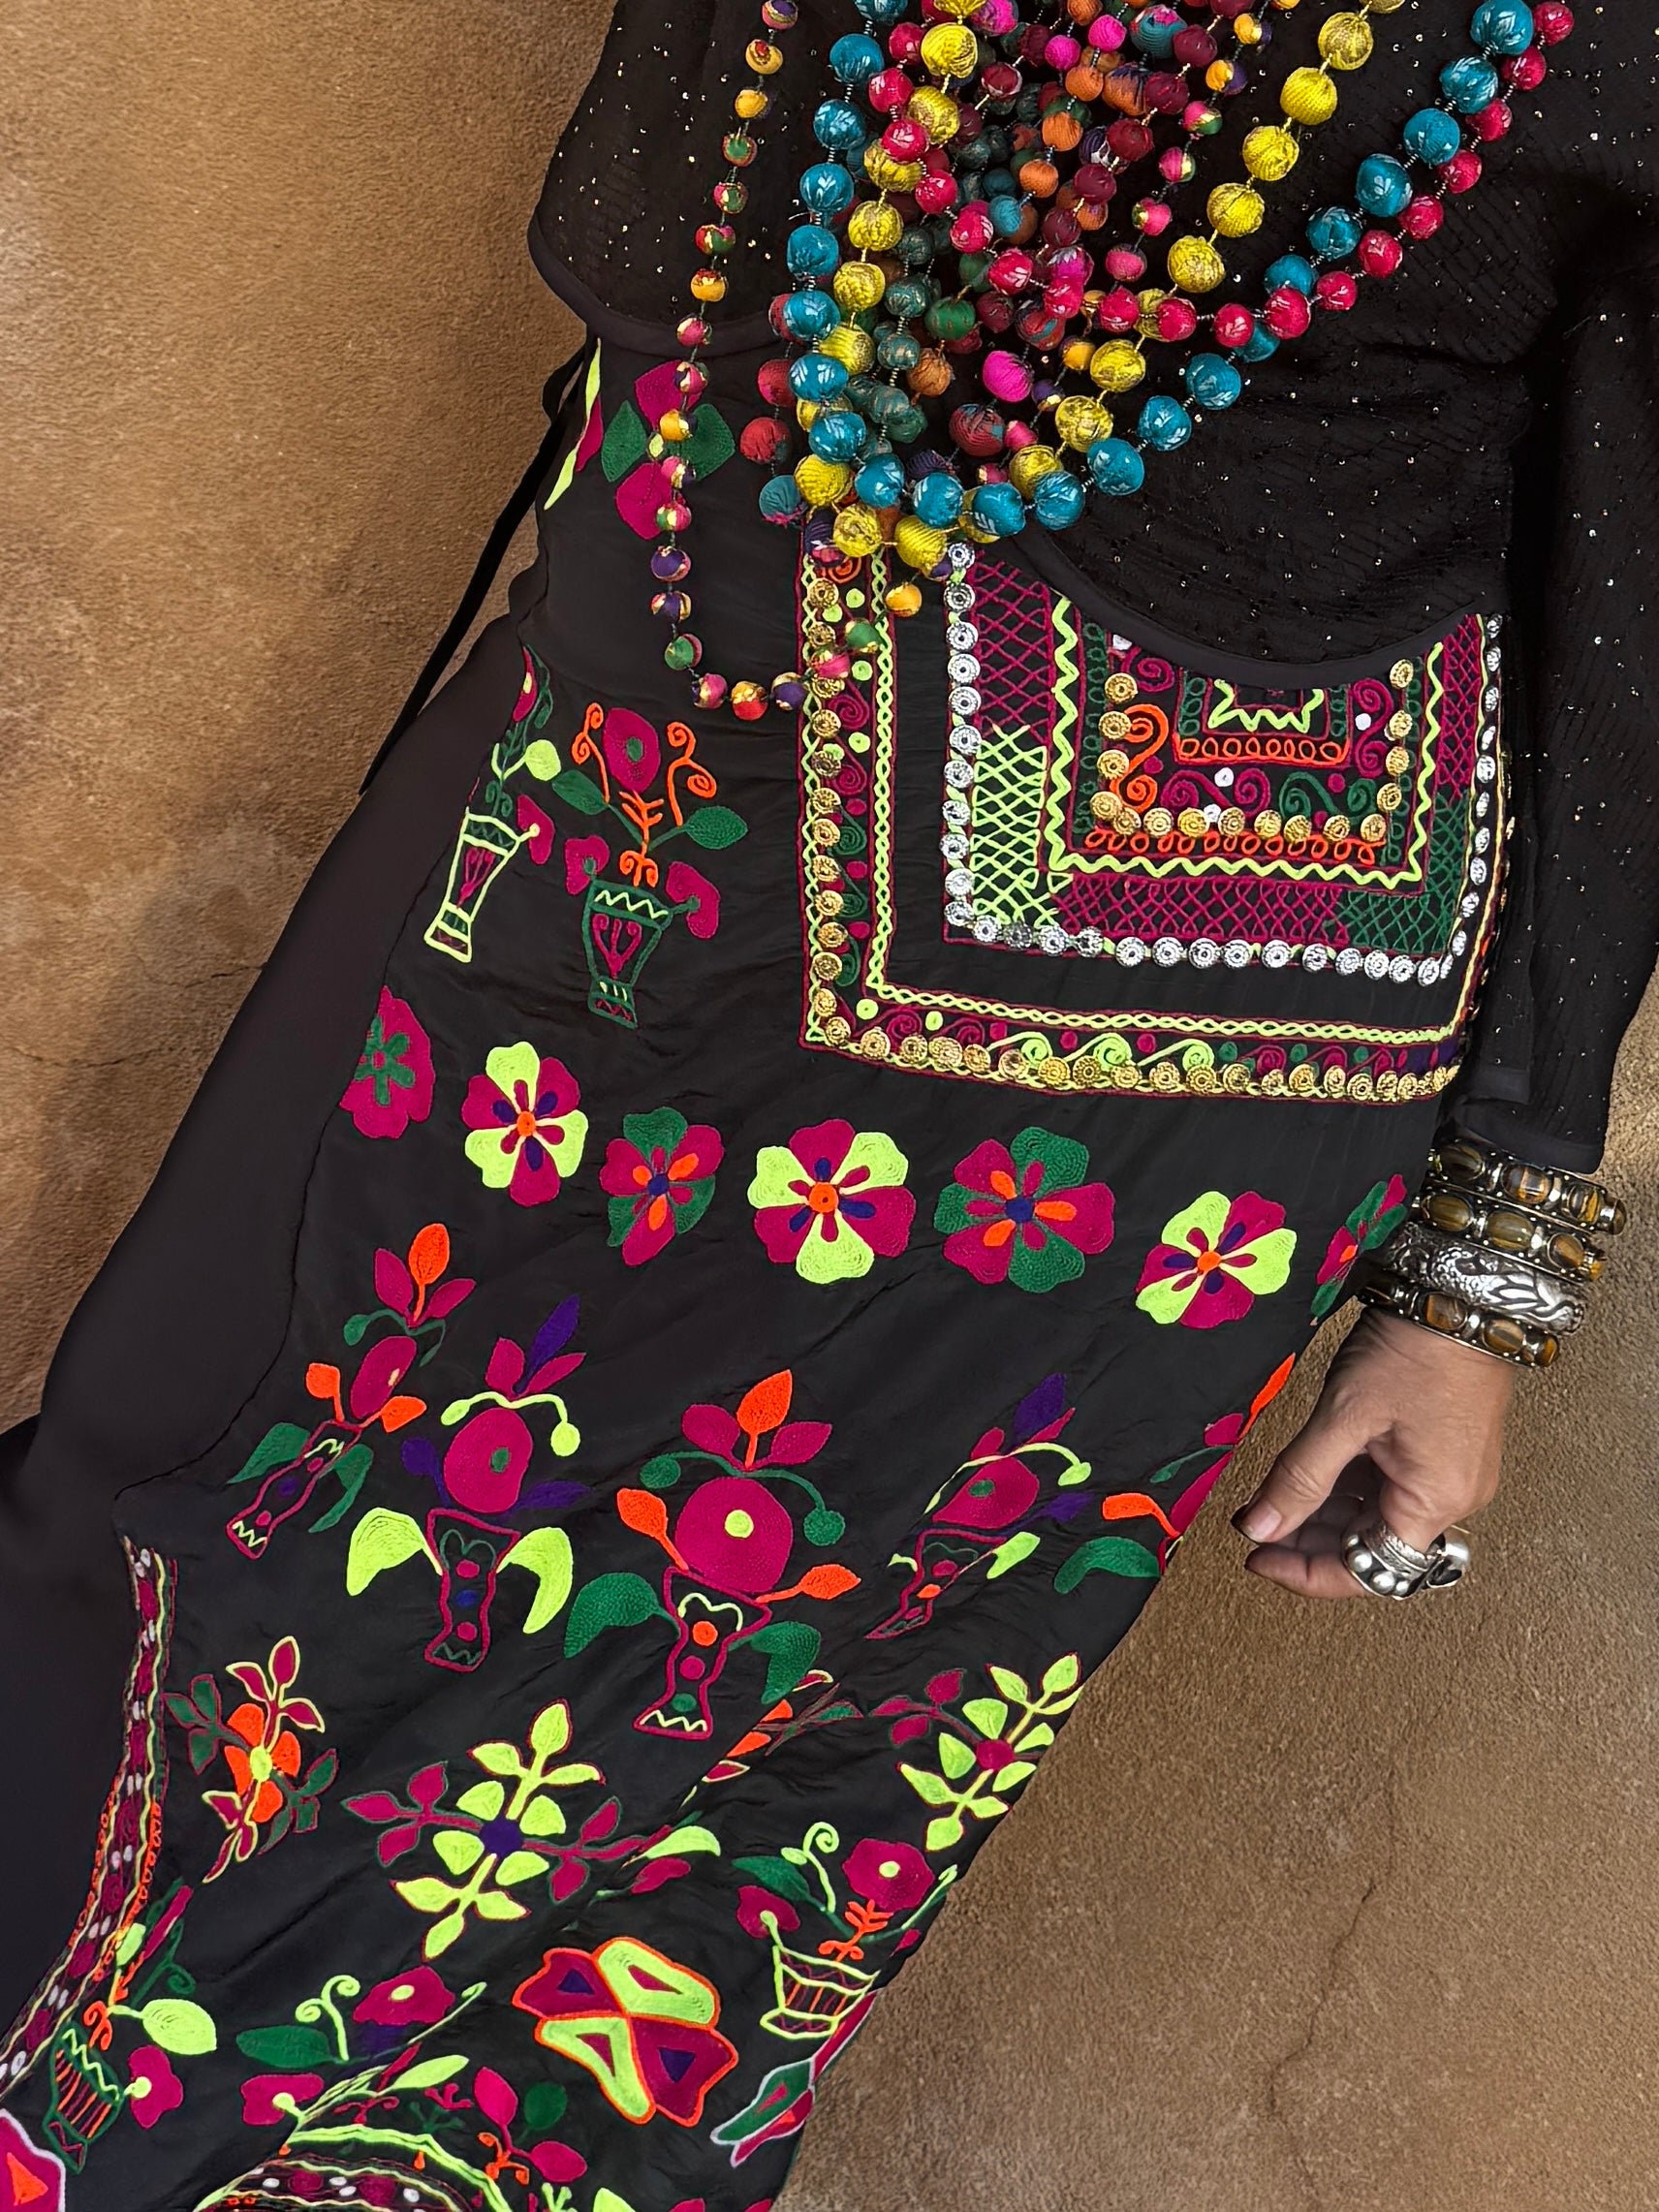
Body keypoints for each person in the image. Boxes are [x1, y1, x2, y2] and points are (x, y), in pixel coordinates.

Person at [0, 2, 1650, 2206]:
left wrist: (1491, 1247)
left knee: (708, 1852)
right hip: (661, 689)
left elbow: (1640, 547)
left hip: (1140, 1023)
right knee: (190, 1574)